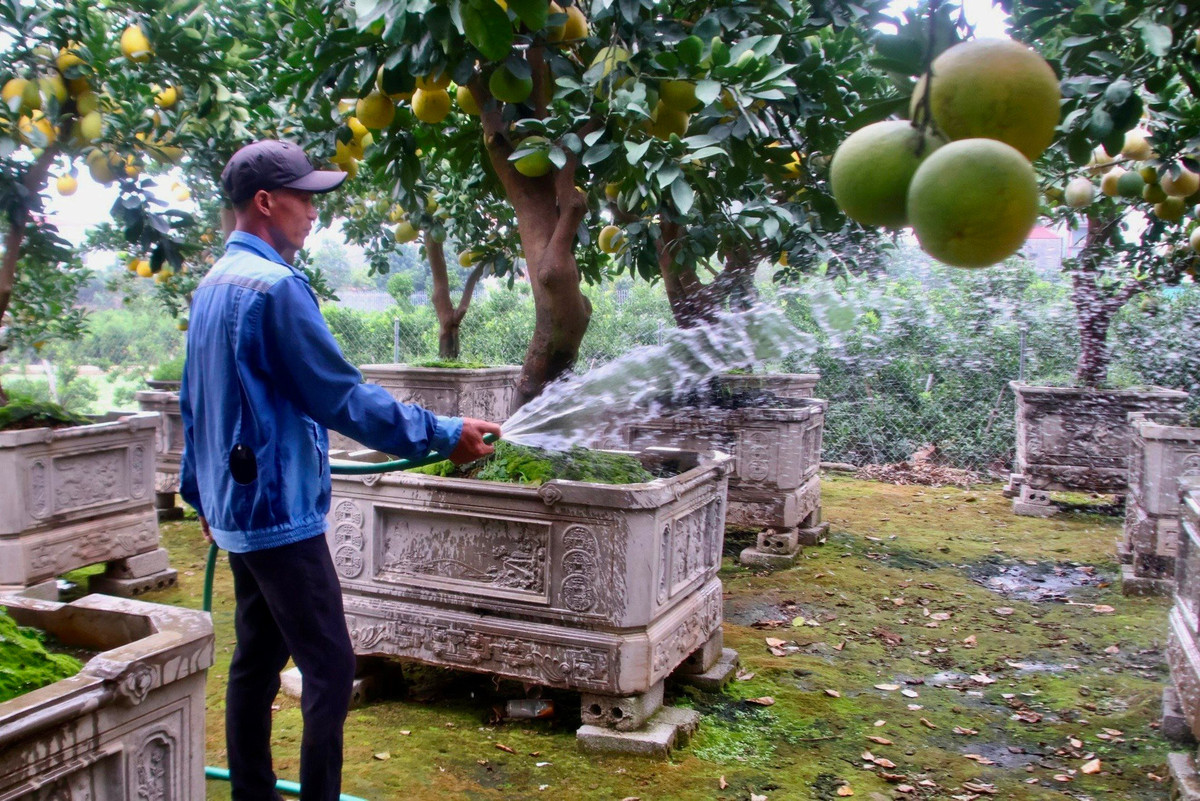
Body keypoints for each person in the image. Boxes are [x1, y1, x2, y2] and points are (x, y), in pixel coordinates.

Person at [179, 139, 502, 801]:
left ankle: (252, 792)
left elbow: (195, 401)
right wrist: (444, 434)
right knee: (331, 665)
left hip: (239, 509)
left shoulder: (214, 283)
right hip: (277, 510)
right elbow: (342, 396)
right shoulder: (276, 289)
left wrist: (200, 494)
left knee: (257, 659)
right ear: (266, 202)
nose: (313, 212)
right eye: (304, 198)